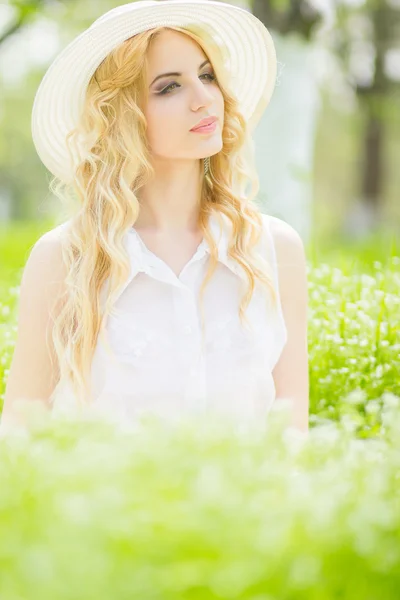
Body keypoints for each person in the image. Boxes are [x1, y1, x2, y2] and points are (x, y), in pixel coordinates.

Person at [0, 0, 309, 436]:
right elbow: (19, 432)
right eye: (169, 87)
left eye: (206, 76)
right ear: (122, 115)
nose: (204, 99)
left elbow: (293, 435)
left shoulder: (273, 248)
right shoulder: (66, 258)